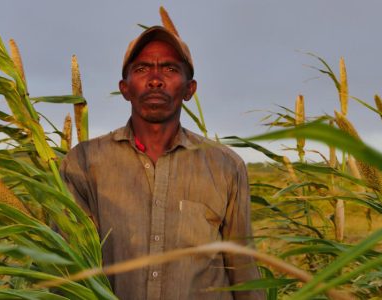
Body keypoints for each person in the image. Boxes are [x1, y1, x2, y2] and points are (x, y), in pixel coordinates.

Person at [60, 25, 263, 299]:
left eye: (169, 69)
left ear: (190, 89)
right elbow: (66, 267)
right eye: (142, 69)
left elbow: (243, 269)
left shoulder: (225, 166)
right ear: (125, 88)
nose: (155, 79)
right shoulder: (84, 162)